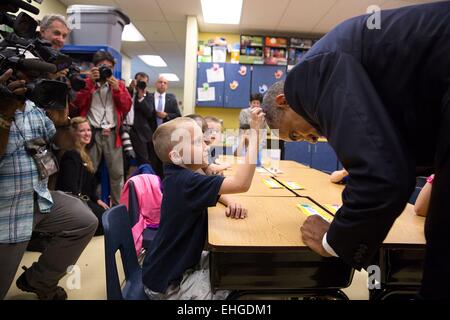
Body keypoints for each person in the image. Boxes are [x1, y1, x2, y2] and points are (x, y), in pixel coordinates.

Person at [261, 2, 450, 299]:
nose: (311, 138)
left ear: (285, 101)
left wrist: (331, 241)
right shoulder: (333, 61)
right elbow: (389, 156)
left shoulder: (307, 78)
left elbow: (382, 178)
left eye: (296, 132)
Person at [142, 108, 265, 300]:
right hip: (169, 285)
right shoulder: (188, 182)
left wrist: (205, 163)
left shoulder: (176, 173)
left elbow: (203, 172)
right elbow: (241, 184)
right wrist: (256, 133)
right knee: (240, 285)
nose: (207, 146)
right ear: (176, 156)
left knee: (235, 266)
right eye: (198, 142)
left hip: (165, 268)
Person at [0, 69, 98, 300]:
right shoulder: (5, 105)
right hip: (7, 208)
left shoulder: (34, 107)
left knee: (84, 220)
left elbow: (60, 142)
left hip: (37, 196)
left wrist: (63, 119)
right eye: (17, 78)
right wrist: (4, 114)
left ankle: (39, 280)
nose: (24, 85)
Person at [73, 50, 132, 206]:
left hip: (113, 134)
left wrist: (118, 90)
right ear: (94, 68)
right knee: (88, 171)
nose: (105, 70)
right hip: (91, 133)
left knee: (117, 174)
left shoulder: (118, 85)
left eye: (108, 67)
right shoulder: (87, 83)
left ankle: (120, 209)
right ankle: (85, 205)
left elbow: (126, 106)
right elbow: (76, 104)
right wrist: (90, 84)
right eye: (101, 66)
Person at [57, 117, 110, 236]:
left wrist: (97, 199)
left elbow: (88, 185)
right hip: (73, 204)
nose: (87, 134)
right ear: (74, 134)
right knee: (107, 223)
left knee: (109, 216)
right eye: (82, 131)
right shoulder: (71, 156)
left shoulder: (84, 155)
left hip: (84, 201)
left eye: (89, 130)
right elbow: (70, 191)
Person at [149, 75, 181, 178]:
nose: (162, 84)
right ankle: (152, 184)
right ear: (156, 84)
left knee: (163, 163)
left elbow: (178, 116)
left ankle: (162, 186)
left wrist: (166, 115)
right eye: (160, 82)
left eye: (165, 83)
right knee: (151, 162)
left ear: (167, 86)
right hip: (149, 135)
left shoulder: (171, 98)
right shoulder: (149, 97)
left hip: (165, 136)